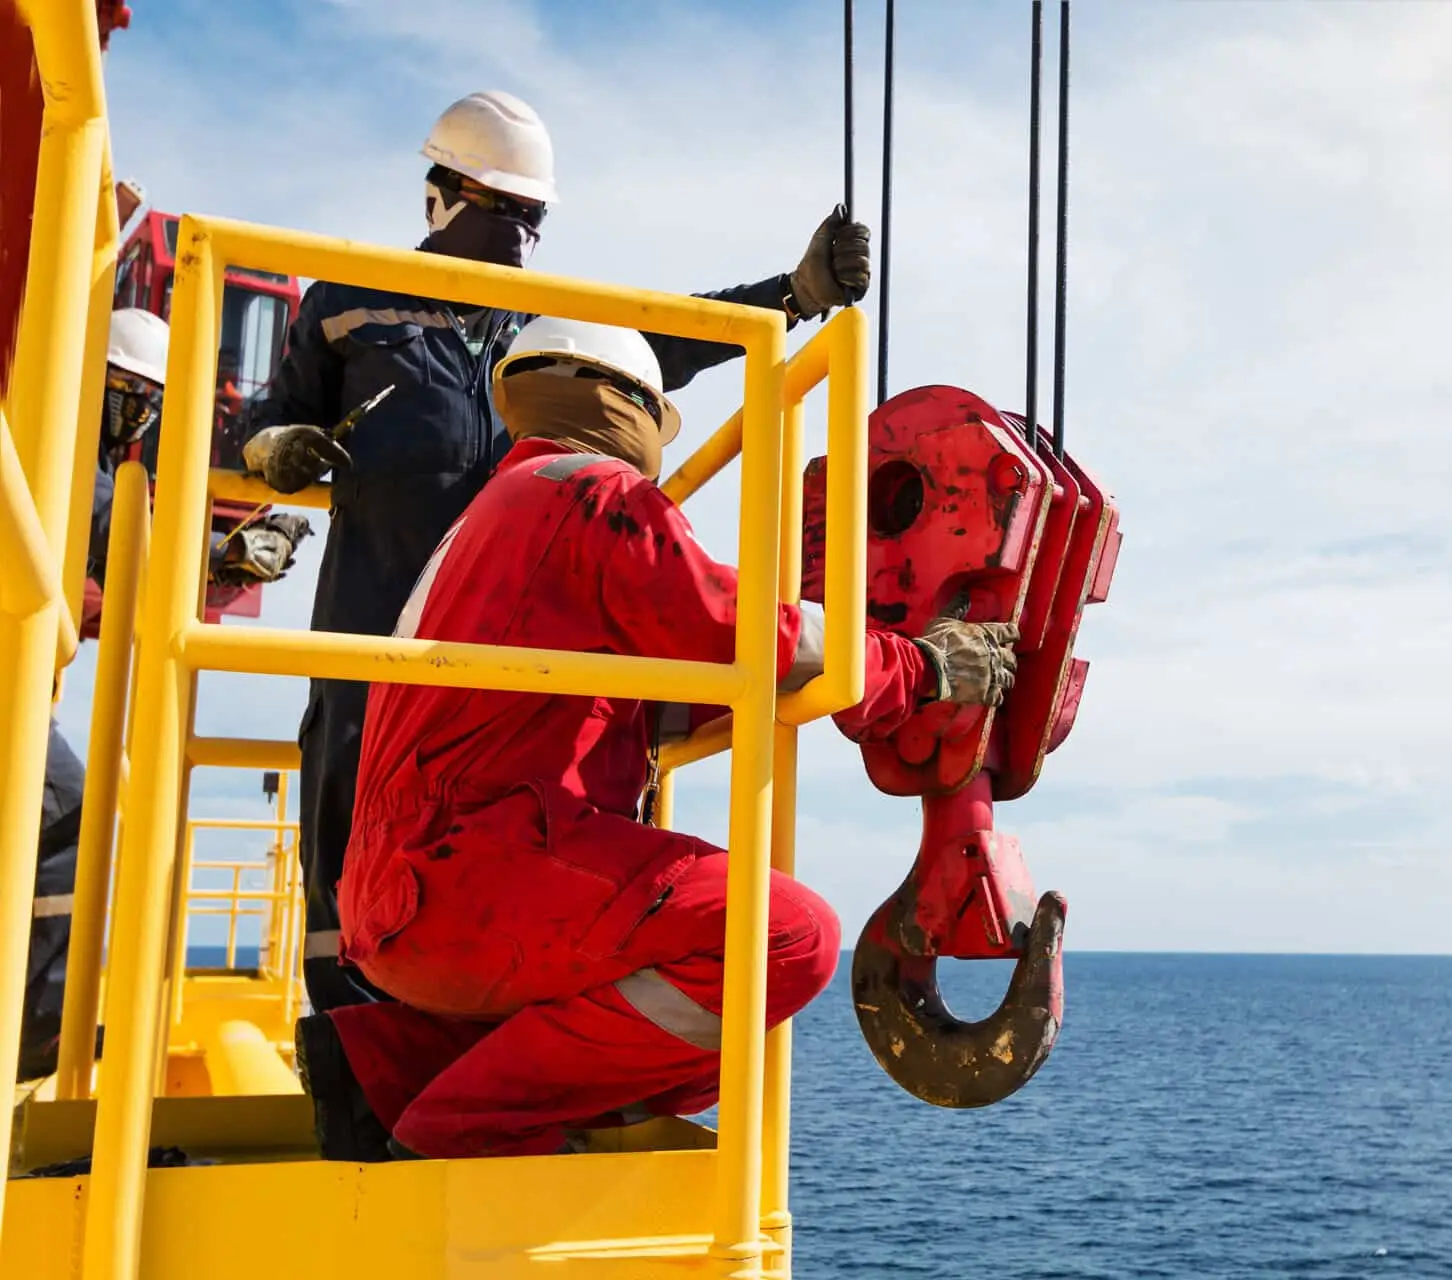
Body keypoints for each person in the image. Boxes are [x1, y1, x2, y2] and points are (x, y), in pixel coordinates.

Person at [292, 317, 1020, 1161]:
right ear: (630, 408)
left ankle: (385, 1066)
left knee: (701, 1026)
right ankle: (460, 1123)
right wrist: (918, 666)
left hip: (400, 904)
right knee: (782, 940)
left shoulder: (489, 522)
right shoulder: (588, 492)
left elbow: (661, 684)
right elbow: (725, 622)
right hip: (477, 876)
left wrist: (811, 685)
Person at [240, 89, 874, 1016]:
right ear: (441, 195)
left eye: (532, 217)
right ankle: (349, 1046)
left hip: (520, 649)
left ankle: (506, 1034)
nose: (521, 236)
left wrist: (793, 295)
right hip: (374, 632)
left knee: (548, 823)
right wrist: (274, 452)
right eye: (505, 209)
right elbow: (264, 419)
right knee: (348, 831)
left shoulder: (541, 317)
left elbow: (668, 334)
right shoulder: (347, 302)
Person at [18, 307, 310, 1082]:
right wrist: (230, 553)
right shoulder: (63, 444)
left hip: (24, 683)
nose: (137, 409)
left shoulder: (75, 447)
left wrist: (224, 557)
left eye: (149, 397)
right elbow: (124, 544)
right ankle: (38, 1031)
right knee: (68, 819)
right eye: (126, 389)